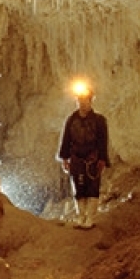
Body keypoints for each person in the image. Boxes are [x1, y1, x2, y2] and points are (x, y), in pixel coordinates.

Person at [57, 80, 109, 229]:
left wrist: (102, 159)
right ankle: (81, 216)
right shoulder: (71, 120)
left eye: (85, 101)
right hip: (77, 159)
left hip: (93, 159)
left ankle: (90, 218)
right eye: (80, 101)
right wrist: (65, 159)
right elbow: (66, 139)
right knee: (79, 188)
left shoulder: (99, 120)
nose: (82, 104)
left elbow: (103, 141)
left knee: (92, 187)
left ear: (90, 101)